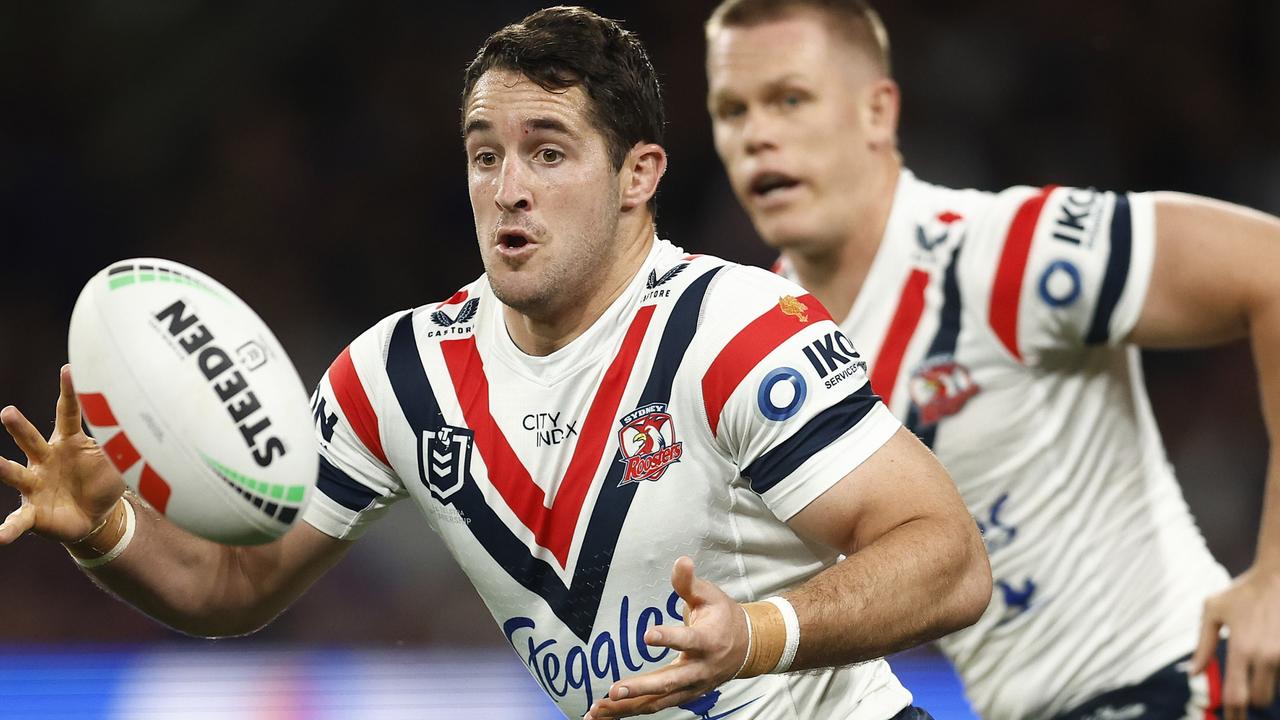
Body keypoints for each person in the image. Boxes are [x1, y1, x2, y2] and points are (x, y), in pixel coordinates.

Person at [0, 7, 990, 720]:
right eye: (484, 154)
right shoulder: (398, 376)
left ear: (637, 175)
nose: (507, 188)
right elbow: (232, 586)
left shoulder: (730, 330)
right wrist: (108, 528)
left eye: (548, 152)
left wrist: (757, 634)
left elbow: (946, 557)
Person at [703, 1, 1280, 718]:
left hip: (1176, 686)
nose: (757, 134)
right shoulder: (758, 350)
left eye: (790, 99)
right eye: (732, 110)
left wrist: (1276, 577)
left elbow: (1272, 269)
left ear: (877, 113)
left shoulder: (1004, 252)